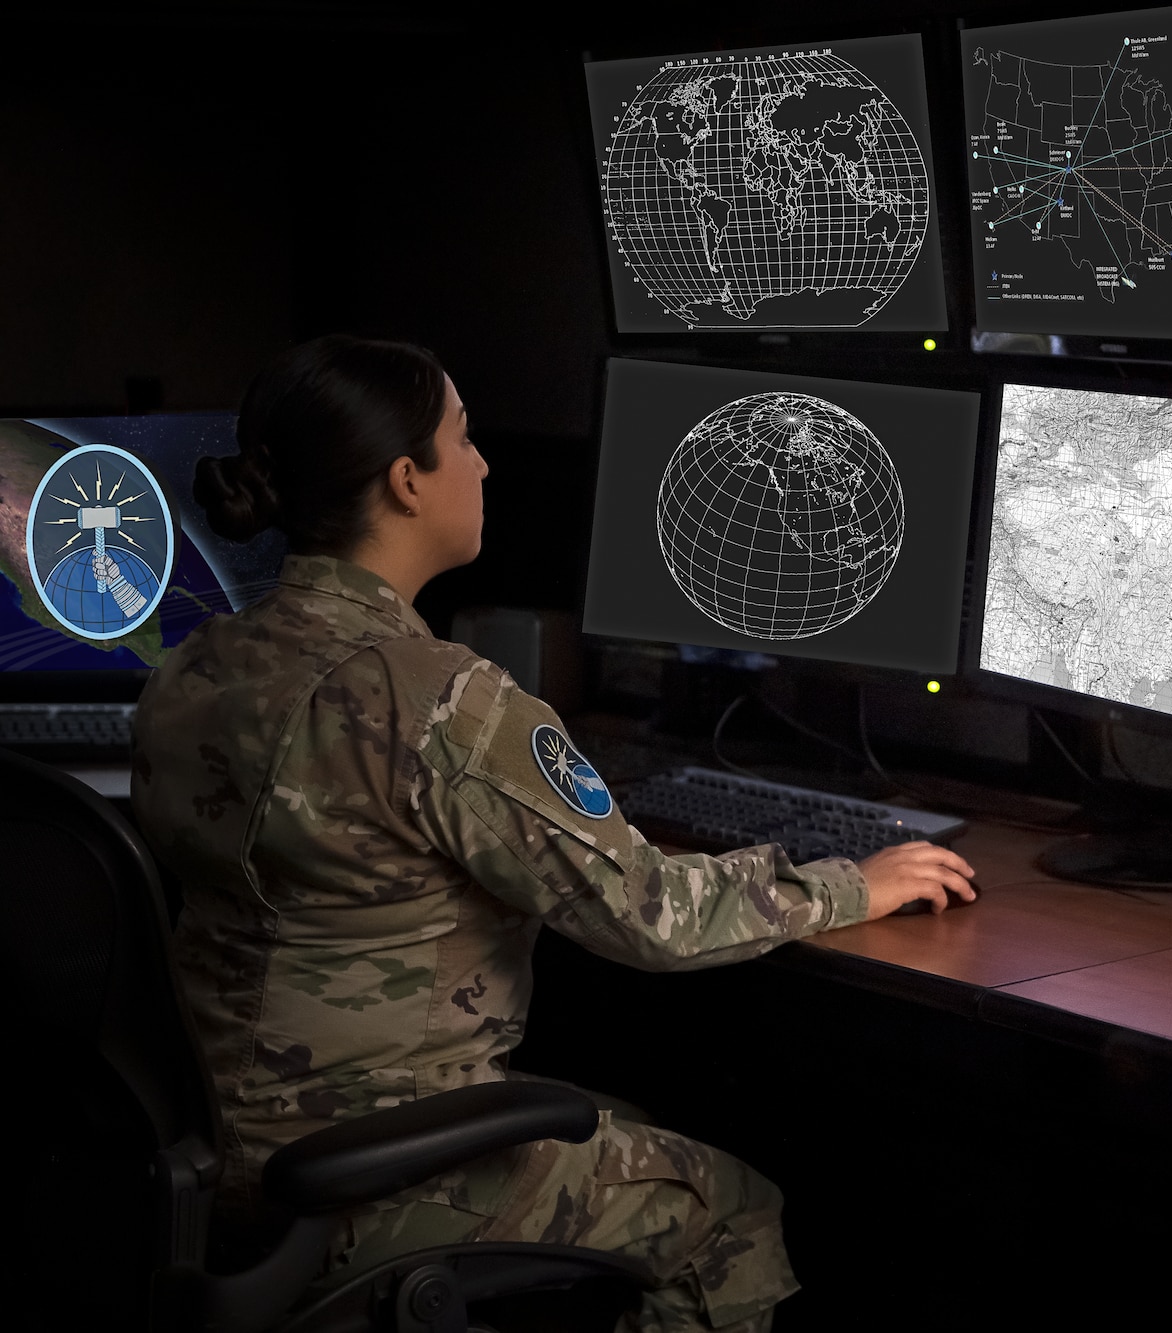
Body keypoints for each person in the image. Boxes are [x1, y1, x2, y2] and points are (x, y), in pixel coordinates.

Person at [131, 335, 977, 1333]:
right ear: (407, 481)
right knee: (729, 1210)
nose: (484, 463)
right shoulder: (440, 703)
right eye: (464, 437)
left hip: (196, 1155)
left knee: (629, 1118)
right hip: (361, 1173)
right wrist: (852, 884)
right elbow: (650, 915)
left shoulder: (198, 662)